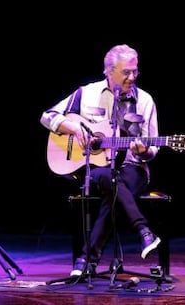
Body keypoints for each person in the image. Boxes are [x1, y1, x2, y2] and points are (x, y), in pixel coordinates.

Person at [40, 44, 161, 276]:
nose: (132, 77)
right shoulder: (86, 93)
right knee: (107, 176)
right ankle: (144, 230)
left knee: (113, 183)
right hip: (94, 168)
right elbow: (47, 117)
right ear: (109, 71)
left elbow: (153, 148)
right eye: (126, 72)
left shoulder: (145, 101)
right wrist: (75, 128)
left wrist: (144, 151)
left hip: (132, 168)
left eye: (135, 71)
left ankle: (87, 259)